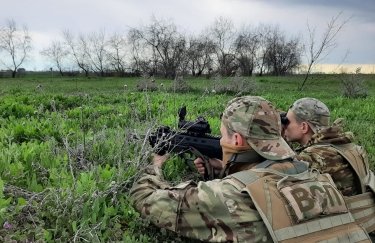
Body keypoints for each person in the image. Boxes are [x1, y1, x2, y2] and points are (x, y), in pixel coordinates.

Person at [130, 96, 370, 242]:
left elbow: (144, 198)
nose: (221, 140)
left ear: (236, 141)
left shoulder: (231, 195)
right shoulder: (317, 176)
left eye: (223, 134)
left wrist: (156, 166)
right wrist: (222, 170)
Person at [282, 97, 375, 234]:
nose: (284, 126)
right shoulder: (350, 147)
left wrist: (276, 137)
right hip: (367, 222)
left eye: (286, 122)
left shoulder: (312, 157)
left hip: (345, 229)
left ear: (303, 127)